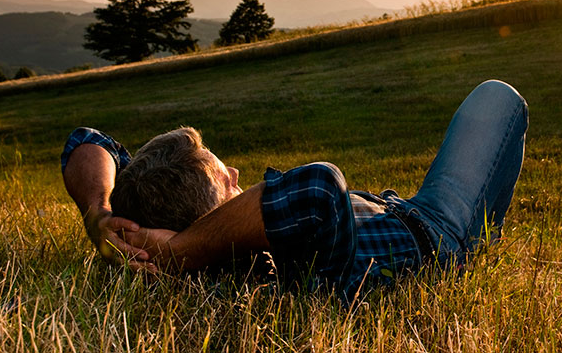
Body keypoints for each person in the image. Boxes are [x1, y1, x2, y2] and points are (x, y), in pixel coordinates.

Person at [62, 80, 528, 299]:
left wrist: (98, 213)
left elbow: (86, 140)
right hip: (435, 231)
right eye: (229, 181)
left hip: (387, 207)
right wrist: (182, 251)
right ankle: (479, 240)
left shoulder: (144, 212)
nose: (239, 175)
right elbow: (320, 186)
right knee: (497, 98)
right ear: (215, 217)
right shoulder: (274, 264)